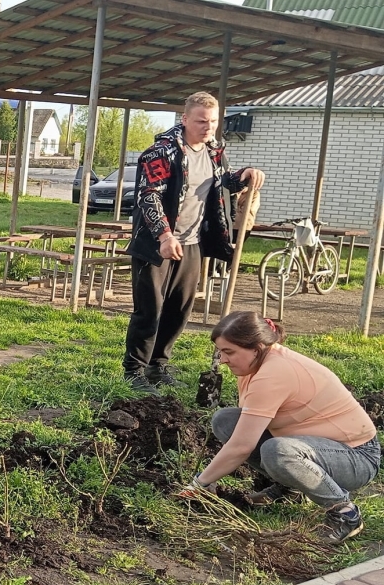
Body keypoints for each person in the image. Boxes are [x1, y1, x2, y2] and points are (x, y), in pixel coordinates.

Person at [176, 311, 380, 544]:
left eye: (229, 352)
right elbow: (245, 430)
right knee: (225, 420)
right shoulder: (256, 364)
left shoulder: (274, 372)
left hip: (356, 457)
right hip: (316, 446)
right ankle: (290, 488)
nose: (222, 359)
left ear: (257, 347)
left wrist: (198, 484)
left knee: (278, 451)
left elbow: (242, 445)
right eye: (220, 352)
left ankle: (345, 512)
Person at [123, 91, 266, 394]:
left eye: (213, 121)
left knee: (179, 309)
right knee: (150, 309)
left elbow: (220, 181)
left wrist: (243, 176)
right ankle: (134, 371)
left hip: (191, 242)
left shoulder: (214, 151)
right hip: (157, 243)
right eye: (202, 121)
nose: (208, 127)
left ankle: (157, 366)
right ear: (185, 119)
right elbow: (149, 195)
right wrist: (163, 235)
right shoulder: (161, 152)